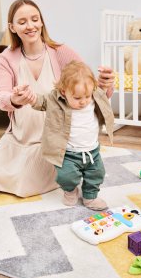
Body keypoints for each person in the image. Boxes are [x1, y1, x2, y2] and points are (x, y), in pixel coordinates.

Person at [0, 0, 114, 198]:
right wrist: (15, 99)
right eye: (22, 22)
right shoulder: (4, 59)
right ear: (12, 27)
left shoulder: (60, 52)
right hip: (21, 137)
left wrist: (105, 84)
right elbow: (1, 97)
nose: (30, 26)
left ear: (41, 22)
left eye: (35, 19)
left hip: (58, 140)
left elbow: (88, 91)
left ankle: (68, 172)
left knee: (26, 182)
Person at [16, 60, 114, 210]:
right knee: (66, 176)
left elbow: (105, 93)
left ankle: (90, 196)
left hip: (92, 151)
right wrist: (29, 97)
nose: (83, 102)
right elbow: (40, 101)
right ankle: (70, 190)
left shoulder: (94, 96)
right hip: (67, 153)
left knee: (97, 174)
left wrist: (106, 82)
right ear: (63, 92)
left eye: (87, 96)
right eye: (77, 98)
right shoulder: (55, 99)